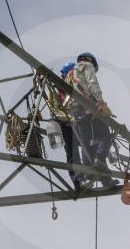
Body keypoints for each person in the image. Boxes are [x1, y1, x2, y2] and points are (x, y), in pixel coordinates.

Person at [68, 52, 118, 189]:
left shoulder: (71, 73)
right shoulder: (86, 66)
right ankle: (100, 164)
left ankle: (92, 175)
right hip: (90, 106)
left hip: (77, 111)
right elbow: (92, 83)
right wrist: (101, 102)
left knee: (87, 143)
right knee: (104, 137)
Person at [47, 62, 84, 190]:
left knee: (89, 146)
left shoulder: (77, 88)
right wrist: (70, 118)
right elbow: (55, 111)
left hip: (79, 121)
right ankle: (78, 180)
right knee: (72, 153)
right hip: (66, 125)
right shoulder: (57, 93)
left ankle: (86, 175)